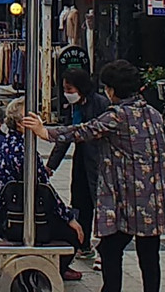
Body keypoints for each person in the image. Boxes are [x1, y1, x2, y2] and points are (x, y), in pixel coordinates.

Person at [23, 60, 165, 292]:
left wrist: (45, 132)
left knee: (110, 249)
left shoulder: (117, 115)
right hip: (154, 199)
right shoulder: (154, 114)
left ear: (112, 90)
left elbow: (84, 130)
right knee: (149, 254)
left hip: (127, 199)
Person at [0, 98, 84, 282]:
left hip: (6, 213)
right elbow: (45, 190)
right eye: (33, 116)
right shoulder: (23, 151)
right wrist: (69, 218)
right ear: (21, 124)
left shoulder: (9, 143)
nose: (39, 119)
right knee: (74, 233)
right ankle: (55, 270)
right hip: (18, 218)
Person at [46, 67, 109, 263]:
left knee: (101, 204)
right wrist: (51, 165)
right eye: (65, 89)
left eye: (70, 89)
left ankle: (105, 251)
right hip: (82, 159)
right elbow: (66, 136)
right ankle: (83, 244)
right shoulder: (74, 107)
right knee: (81, 202)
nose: (67, 93)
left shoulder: (100, 104)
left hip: (99, 161)